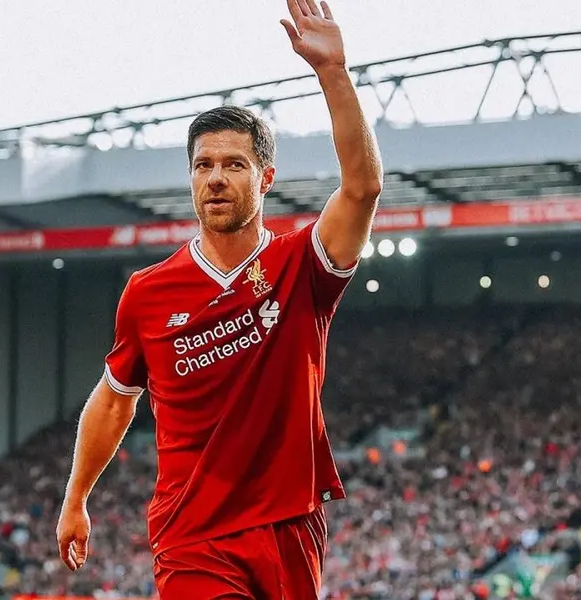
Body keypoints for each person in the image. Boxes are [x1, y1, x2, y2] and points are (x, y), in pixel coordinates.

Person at [56, 0, 383, 597]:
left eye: (234, 164)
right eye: (203, 165)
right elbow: (113, 401)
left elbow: (362, 189)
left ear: (265, 178)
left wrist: (332, 72)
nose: (215, 178)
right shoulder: (148, 293)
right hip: (192, 535)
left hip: (289, 524)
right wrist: (76, 495)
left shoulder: (301, 266)